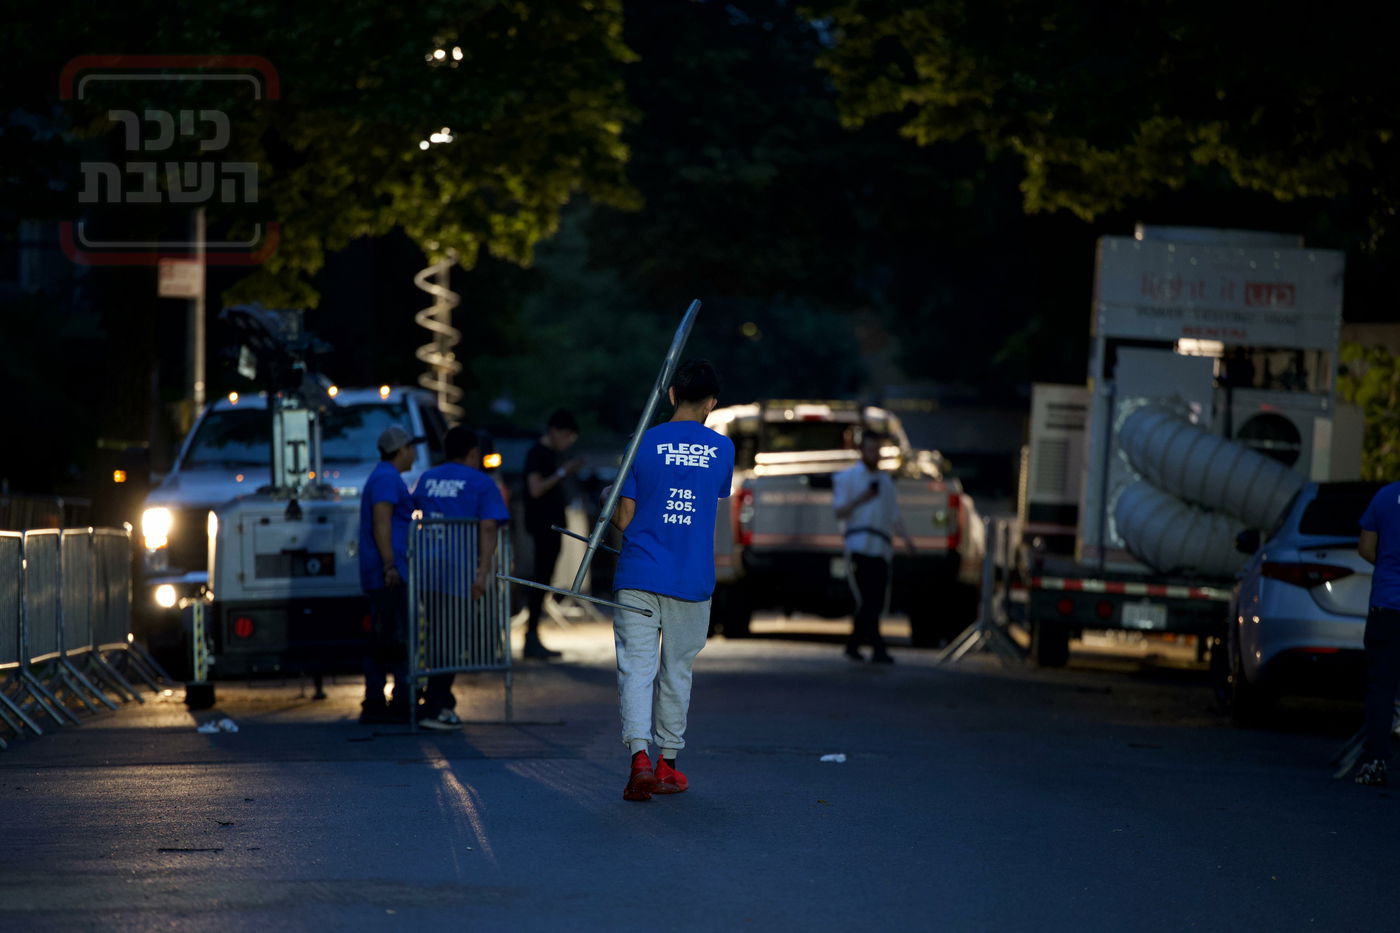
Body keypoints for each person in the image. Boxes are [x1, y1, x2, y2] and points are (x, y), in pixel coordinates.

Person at [608, 359, 734, 802]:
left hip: (639, 572)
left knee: (637, 668)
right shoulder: (723, 450)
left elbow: (623, 517)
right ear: (712, 404)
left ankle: (639, 758)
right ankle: (669, 763)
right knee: (677, 670)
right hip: (691, 578)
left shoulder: (642, 442)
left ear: (672, 395)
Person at [411, 425, 510, 731]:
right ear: (473, 453)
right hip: (459, 571)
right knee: (452, 641)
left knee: (434, 635)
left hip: (426, 570)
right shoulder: (481, 482)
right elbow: (490, 527)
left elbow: (412, 513)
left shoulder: (427, 478)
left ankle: (440, 701)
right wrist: (482, 574)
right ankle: (435, 706)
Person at [831, 429, 916, 664]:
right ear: (862, 451)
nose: (874, 454)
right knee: (869, 598)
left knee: (875, 599)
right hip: (859, 545)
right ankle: (877, 647)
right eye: (870, 449)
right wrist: (861, 499)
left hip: (880, 547)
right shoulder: (847, 478)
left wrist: (908, 541)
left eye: (877, 449)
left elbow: (894, 516)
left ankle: (854, 645)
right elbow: (839, 511)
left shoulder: (886, 482)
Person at [357, 424, 422, 724]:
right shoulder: (385, 478)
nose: (415, 453)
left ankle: (385, 700)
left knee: (388, 635)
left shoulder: (386, 477)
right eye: (411, 447)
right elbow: (381, 522)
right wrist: (389, 565)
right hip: (388, 574)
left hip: (386, 571)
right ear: (401, 450)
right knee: (391, 636)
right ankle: (389, 702)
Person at [522, 409, 584, 659]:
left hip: (551, 526)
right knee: (540, 579)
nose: (568, 442)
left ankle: (533, 635)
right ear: (555, 431)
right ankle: (531, 636)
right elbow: (535, 489)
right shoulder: (537, 454)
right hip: (542, 526)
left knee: (544, 579)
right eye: (568, 436)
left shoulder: (549, 455)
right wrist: (562, 473)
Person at [1354, 479, 1400, 785]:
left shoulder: (1385, 496)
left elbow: (1366, 547)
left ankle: (1375, 761)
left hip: (1387, 605)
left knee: (1382, 688)